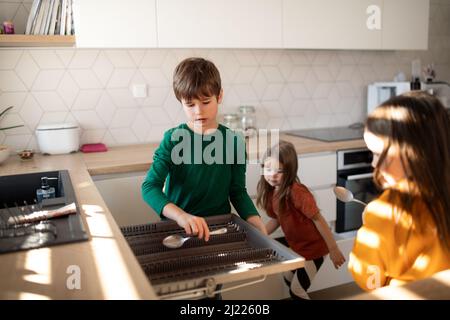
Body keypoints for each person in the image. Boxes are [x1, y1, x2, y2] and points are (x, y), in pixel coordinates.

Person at [142, 56, 266, 241]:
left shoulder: (234, 141)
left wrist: (256, 222)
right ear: (180, 102)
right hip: (178, 229)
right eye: (190, 105)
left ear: (220, 96)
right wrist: (181, 216)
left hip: (219, 229)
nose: (198, 111)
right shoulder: (173, 139)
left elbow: (237, 191)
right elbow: (150, 187)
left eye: (206, 102)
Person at [348, 91, 450, 291]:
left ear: (411, 153)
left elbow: (368, 278)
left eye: (378, 154)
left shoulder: (386, 211)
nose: (374, 164)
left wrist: (369, 223)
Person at [256, 140, 345, 299]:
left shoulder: (297, 192)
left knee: (296, 290)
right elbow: (277, 219)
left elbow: (319, 220)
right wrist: (260, 234)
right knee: (287, 279)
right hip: (298, 249)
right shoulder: (272, 193)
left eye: (279, 171)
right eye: (268, 169)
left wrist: (334, 249)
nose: (272, 175)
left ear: (290, 171)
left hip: (315, 250)